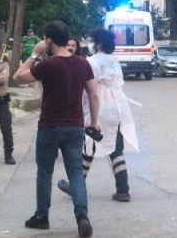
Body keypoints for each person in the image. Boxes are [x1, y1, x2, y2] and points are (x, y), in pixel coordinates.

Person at [13, 20, 100, 238]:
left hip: (49, 126)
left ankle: (42, 216)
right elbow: (93, 93)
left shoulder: (48, 65)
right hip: (75, 126)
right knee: (75, 172)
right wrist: (94, 122)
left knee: (44, 172)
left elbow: (17, 78)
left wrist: (34, 54)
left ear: (48, 40)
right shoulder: (82, 63)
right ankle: (82, 215)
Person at [58, 28, 139, 202]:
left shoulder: (91, 61)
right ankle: (123, 190)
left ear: (99, 44)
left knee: (89, 145)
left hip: (99, 107)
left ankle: (76, 186)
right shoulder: (114, 60)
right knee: (115, 147)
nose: (91, 44)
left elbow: (88, 88)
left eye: (92, 41)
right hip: (116, 107)